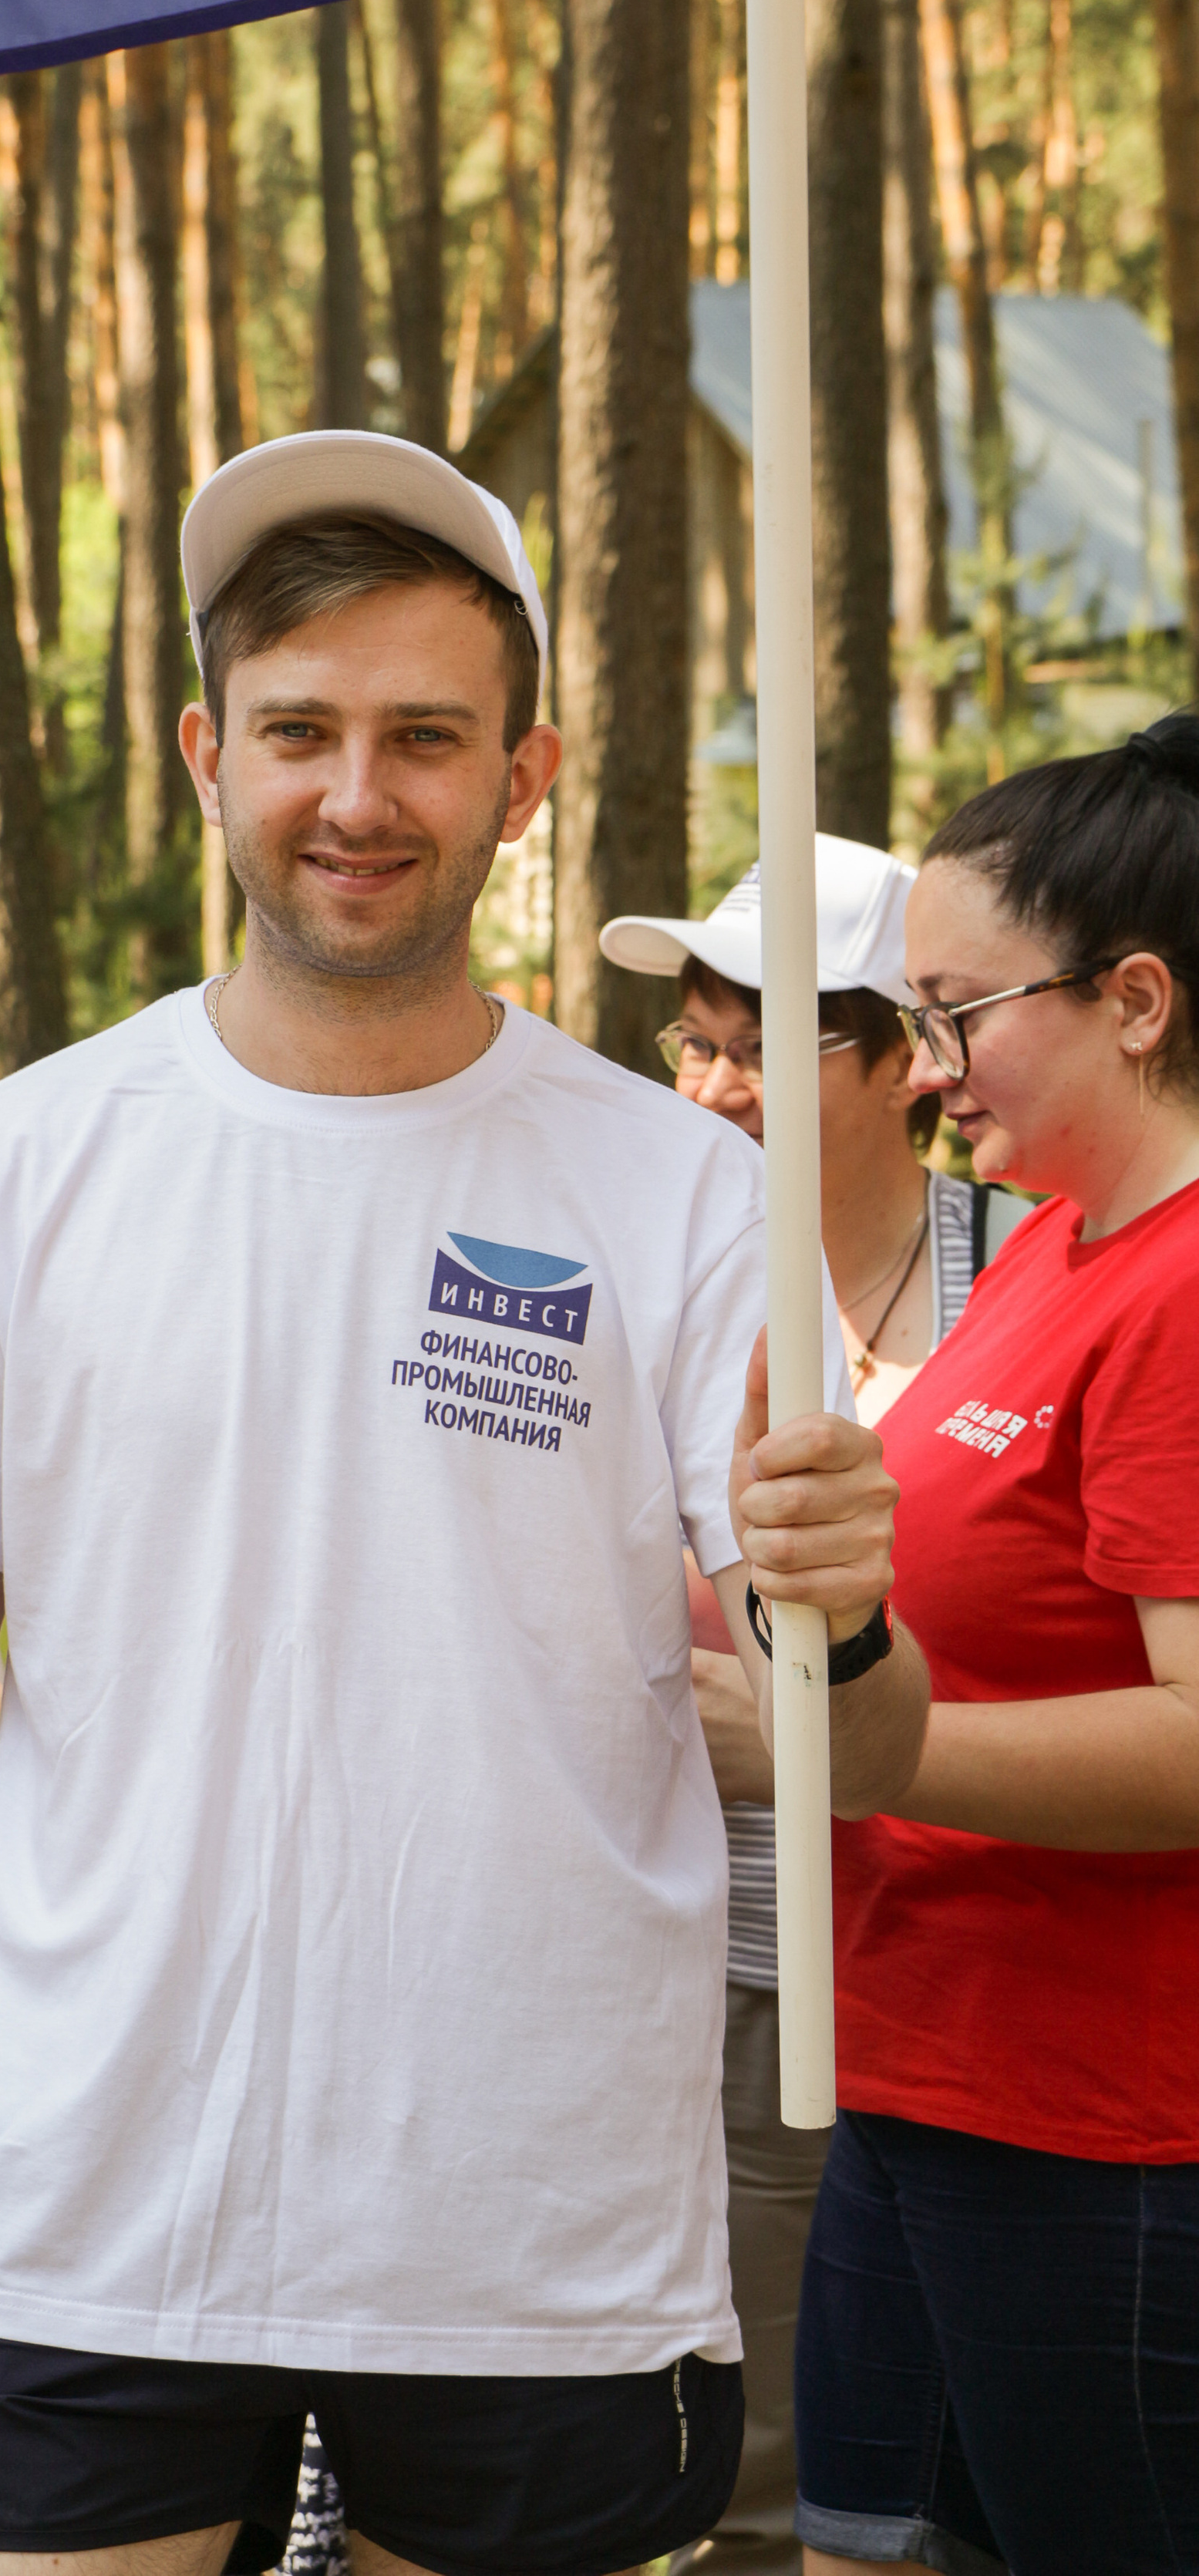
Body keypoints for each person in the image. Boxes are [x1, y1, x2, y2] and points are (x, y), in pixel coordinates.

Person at [0, 429, 927, 2576]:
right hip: (87, 2220)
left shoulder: (688, 1194)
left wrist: (863, 1617)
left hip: (535, 2238)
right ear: (205, 751)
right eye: (303, 733)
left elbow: (858, 1759)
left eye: (426, 738)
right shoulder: (23, 1164)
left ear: (522, 777)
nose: (361, 796)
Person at [792, 715, 1199, 2576]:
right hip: (923, 2066)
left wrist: (860, 1748)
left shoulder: (1180, 1287)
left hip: (1094, 2121)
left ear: (1131, 998)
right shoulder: (1049, 1243)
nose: (931, 1069)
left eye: (960, 1013)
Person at [598, 841, 1028, 2576]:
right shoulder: (657, 1274)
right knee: (707, 2450)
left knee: (851, 2481)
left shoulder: (1021, 1276)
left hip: (938, 1961)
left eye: (751, 1046)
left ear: (899, 1056)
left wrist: (798, 1729)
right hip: (689, 1952)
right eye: (686, 1046)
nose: (704, 1088)